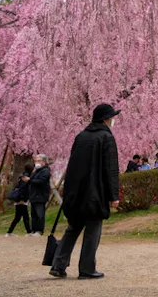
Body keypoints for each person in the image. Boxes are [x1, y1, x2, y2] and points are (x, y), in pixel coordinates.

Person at [49, 103, 121, 279]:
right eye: (112, 117)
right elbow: (110, 170)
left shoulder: (81, 136)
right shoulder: (106, 137)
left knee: (73, 228)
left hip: (76, 192)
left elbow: (72, 166)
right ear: (105, 119)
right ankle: (87, 269)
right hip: (95, 193)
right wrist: (114, 195)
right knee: (93, 230)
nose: (113, 120)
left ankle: (58, 265)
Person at [5, 163, 33, 237]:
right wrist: (22, 199)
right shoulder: (26, 177)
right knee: (25, 217)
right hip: (21, 200)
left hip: (19, 199)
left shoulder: (22, 176)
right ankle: (29, 232)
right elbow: (22, 189)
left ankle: (9, 232)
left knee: (18, 217)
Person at [28, 153, 51, 236]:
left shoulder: (45, 171)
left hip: (40, 195)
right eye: (36, 160)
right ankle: (33, 230)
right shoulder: (36, 171)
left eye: (39, 160)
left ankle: (39, 230)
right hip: (34, 195)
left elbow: (41, 181)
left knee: (39, 214)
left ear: (44, 162)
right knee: (33, 214)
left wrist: (29, 180)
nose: (36, 162)